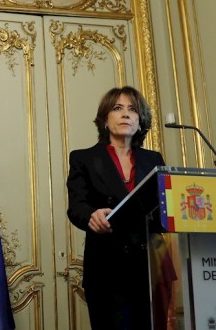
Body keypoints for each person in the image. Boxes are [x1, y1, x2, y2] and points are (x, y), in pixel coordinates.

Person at [66, 86, 165, 329]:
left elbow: (165, 207)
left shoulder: (154, 160)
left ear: (140, 121)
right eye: (117, 108)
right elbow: (77, 204)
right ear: (105, 119)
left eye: (133, 109)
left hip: (149, 266)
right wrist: (91, 215)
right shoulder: (83, 158)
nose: (126, 114)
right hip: (106, 267)